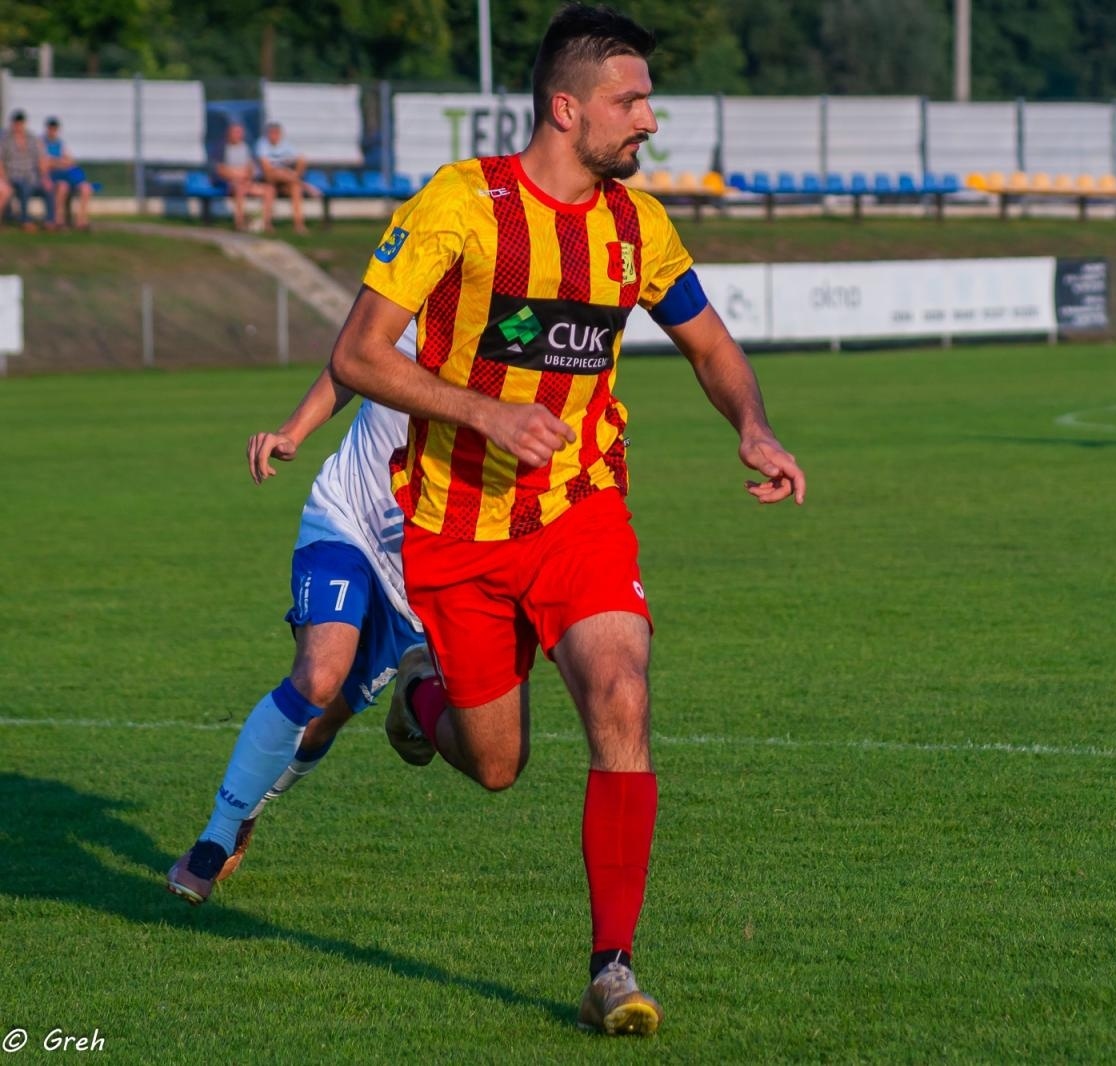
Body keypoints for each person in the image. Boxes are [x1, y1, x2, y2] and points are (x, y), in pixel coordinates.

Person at [328, 3, 805, 1037]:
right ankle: (418, 696)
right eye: (630, 102)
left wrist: (754, 427)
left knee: (621, 692)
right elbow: (357, 355)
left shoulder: (638, 225)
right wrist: (485, 410)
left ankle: (611, 969)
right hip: (457, 527)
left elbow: (712, 347)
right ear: (565, 108)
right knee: (497, 764)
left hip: (579, 509)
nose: (649, 121)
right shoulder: (460, 204)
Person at [167, 324, 425, 904]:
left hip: (420, 569)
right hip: (346, 518)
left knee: (323, 719)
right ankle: (216, 836)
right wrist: (293, 431)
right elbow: (352, 360)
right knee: (318, 676)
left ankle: (251, 804)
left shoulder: (517, 342)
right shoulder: (415, 297)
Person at [215, 121, 275, 232]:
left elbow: (250, 168)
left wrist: (246, 177)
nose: (238, 135)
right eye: (236, 132)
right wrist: (236, 174)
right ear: (229, 133)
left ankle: (267, 223)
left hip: (245, 181)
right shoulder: (222, 148)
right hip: (228, 184)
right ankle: (239, 223)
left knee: (269, 190)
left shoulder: (246, 148)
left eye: (240, 132)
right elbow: (220, 170)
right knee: (240, 189)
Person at [256, 121, 312, 234]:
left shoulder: (286, 145)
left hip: (285, 179)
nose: (274, 136)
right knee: (271, 185)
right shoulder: (261, 144)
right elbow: (267, 170)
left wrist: (289, 174)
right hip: (268, 180)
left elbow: (299, 160)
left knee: (296, 188)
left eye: (276, 133)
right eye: (272, 133)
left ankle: (299, 224)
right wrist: (284, 172)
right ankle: (267, 224)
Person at [1, 110, 54, 229]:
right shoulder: (5, 140)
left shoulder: (32, 138)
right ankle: (25, 220)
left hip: (32, 175)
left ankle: (49, 221)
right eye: (16, 123)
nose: (18, 126)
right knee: (25, 187)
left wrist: (45, 177)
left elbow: (41, 159)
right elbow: (1, 162)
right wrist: (4, 178)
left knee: (48, 188)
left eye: (20, 123)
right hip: (13, 176)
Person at [43, 118, 93, 230]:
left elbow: (70, 160)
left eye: (55, 129)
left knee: (86, 189)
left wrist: (57, 162)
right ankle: (58, 219)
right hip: (54, 176)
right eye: (51, 129)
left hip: (67, 174)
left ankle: (81, 220)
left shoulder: (60, 143)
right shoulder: (42, 143)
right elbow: (45, 163)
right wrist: (59, 162)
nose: (53, 131)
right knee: (62, 187)